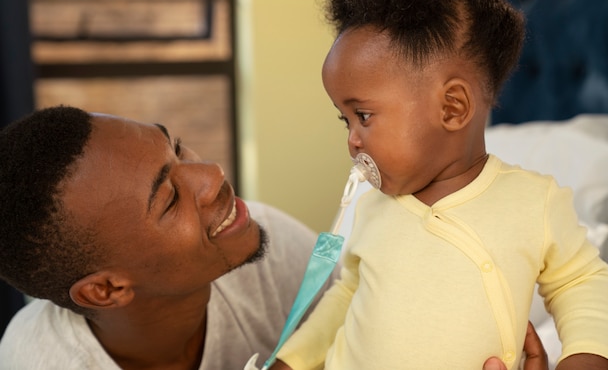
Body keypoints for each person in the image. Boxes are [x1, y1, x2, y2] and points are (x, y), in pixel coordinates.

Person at [272, 0, 608, 370]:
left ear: (452, 108)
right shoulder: (372, 208)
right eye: (344, 120)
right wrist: (289, 362)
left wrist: (585, 357)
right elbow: (345, 297)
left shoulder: (532, 203)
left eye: (362, 116)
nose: (352, 140)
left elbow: (581, 281)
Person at [0, 106, 546, 369]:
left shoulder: (263, 246)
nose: (212, 175)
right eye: (168, 199)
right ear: (106, 290)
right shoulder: (39, 361)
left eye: (179, 149)